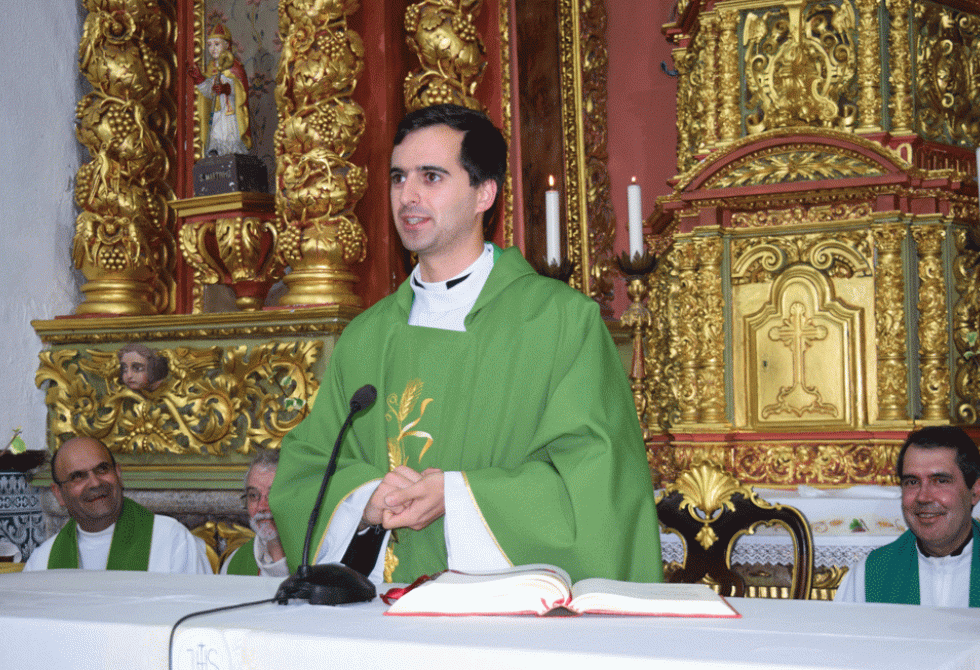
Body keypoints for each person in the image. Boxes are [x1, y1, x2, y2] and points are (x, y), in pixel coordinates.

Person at [269, 103, 663, 586]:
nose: (407, 196)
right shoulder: (366, 336)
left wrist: (457, 497)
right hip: (380, 615)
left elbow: (598, 488)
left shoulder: (561, 322)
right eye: (398, 178)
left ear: (484, 193)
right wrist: (363, 499)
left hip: (507, 622)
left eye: (431, 177)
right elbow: (307, 468)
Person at [835, 425, 980, 607]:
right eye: (912, 482)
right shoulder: (870, 574)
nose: (923, 497)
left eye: (940, 481)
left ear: (975, 490)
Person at [24, 436, 211, 573]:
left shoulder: (171, 539)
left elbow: (198, 621)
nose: (96, 483)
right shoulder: (42, 562)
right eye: (78, 476)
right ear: (58, 494)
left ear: (118, 474)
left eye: (102, 469)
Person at [221, 450, 288, 576]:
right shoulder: (237, 563)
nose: (262, 507)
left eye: (273, 494)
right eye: (253, 495)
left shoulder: (322, 558)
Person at [189, 23, 251, 157]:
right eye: (210, 45)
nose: (212, 49)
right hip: (217, 112)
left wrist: (226, 89)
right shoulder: (212, 68)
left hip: (230, 112)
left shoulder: (235, 67)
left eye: (216, 44)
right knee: (216, 135)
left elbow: (240, 89)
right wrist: (199, 79)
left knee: (230, 134)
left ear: (227, 45)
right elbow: (209, 93)